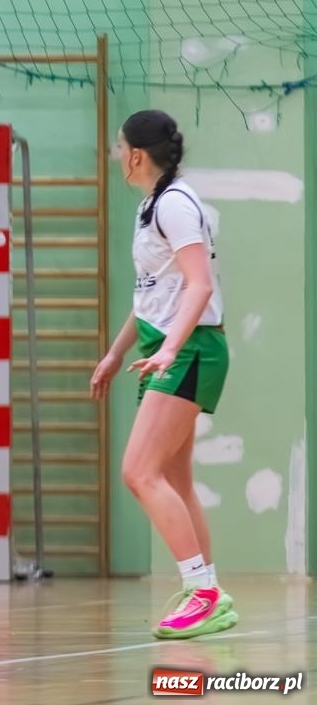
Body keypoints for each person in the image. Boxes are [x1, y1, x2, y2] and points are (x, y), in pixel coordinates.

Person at [91, 111, 234, 640]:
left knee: (138, 472)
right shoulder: (154, 204)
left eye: (118, 144)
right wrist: (114, 353)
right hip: (171, 348)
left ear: (134, 155)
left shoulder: (174, 203)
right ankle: (210, 590)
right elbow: (156, 294)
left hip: (191, 348)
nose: (113, 152)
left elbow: (198, 285)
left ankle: (203, 592)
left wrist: (171, 349)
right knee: (174, 479)